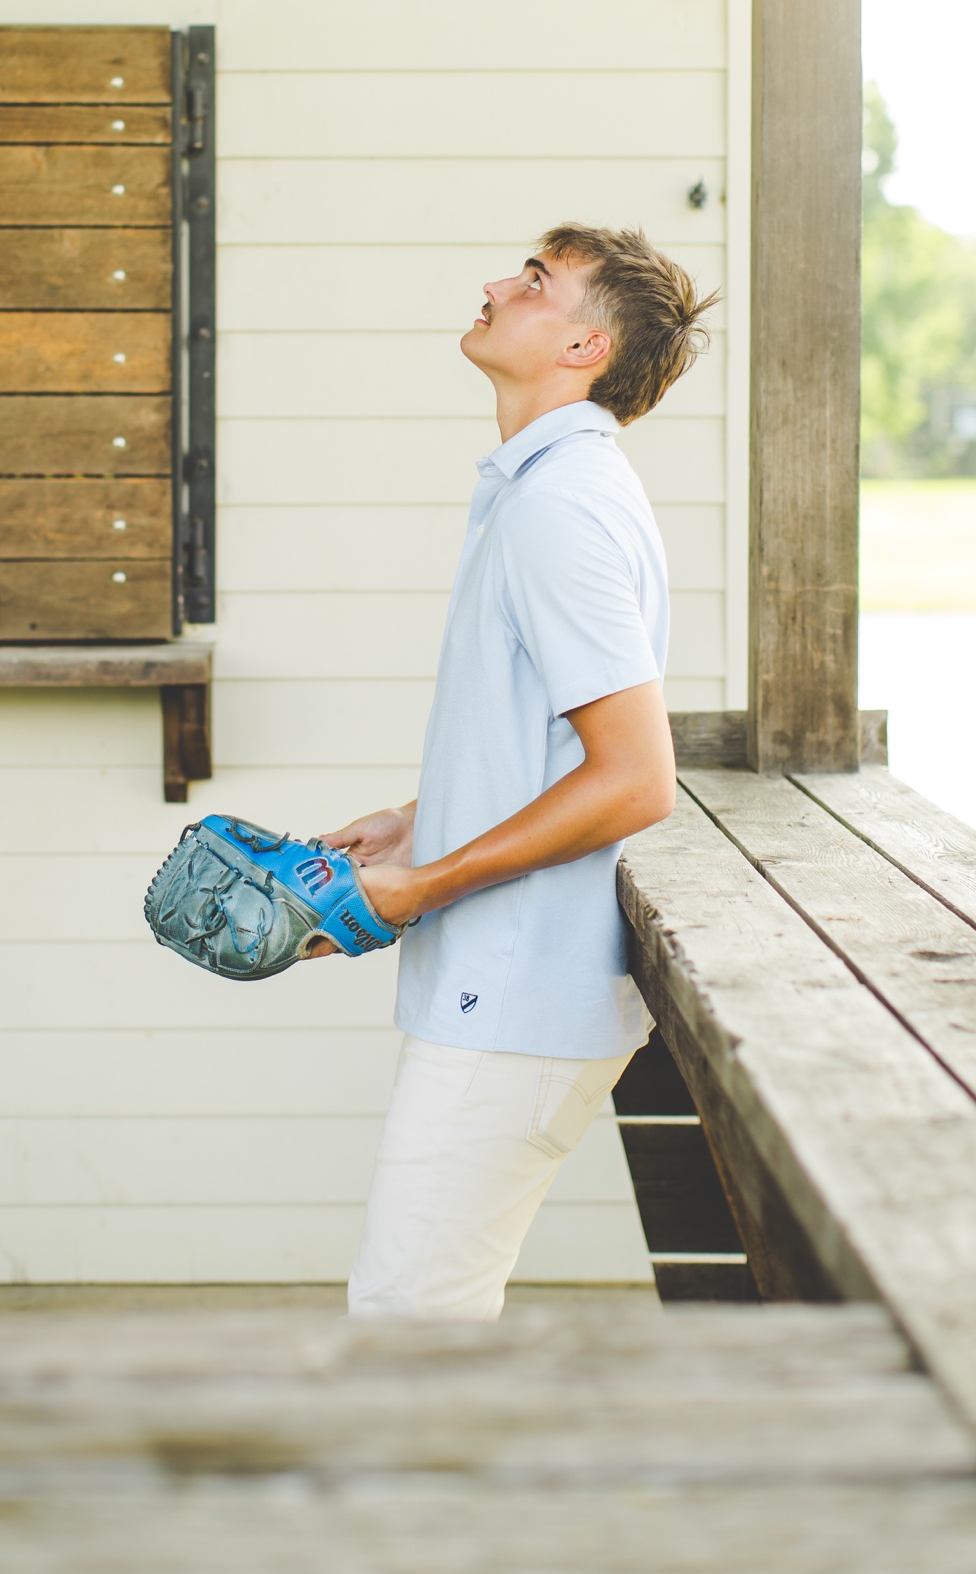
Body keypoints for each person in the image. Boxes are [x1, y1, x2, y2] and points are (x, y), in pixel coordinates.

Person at [318, 223, 718, 1320]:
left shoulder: (560, 506)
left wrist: (423, 884)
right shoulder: (545, 486)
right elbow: (551, 742)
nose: (497, 283)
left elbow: (636, 778)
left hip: (514, 994)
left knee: (408, 1329)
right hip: (499, 988)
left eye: (536, 281)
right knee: (422, 1325)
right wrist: (423, 820)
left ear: (586, 347)